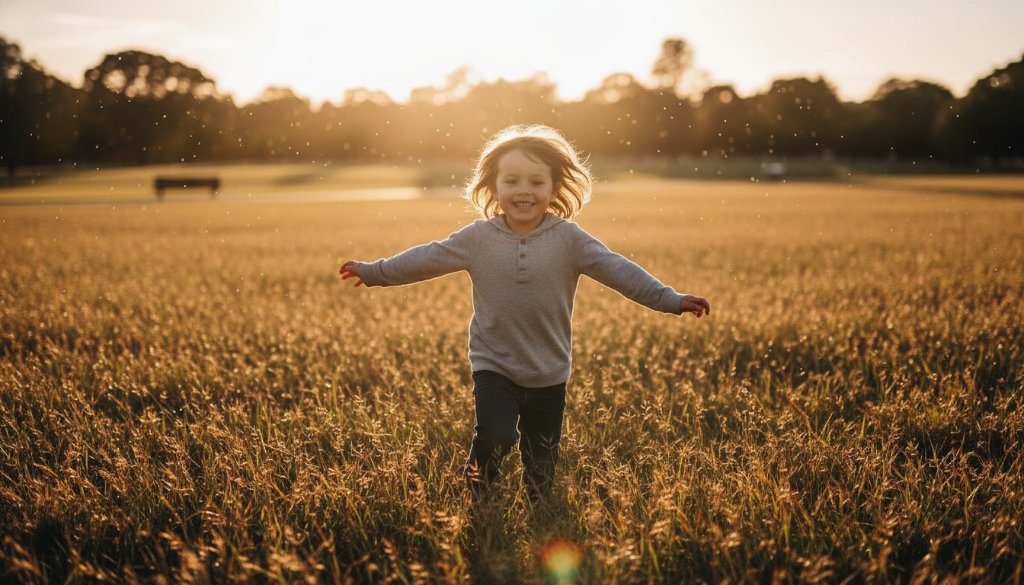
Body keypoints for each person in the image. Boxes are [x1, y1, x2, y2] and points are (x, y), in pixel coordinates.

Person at [339, 124, 710, 504]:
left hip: (549, 370)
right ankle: (476, 496)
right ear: (494, 188)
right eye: (512, 180)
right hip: (494, 365)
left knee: (541, 463)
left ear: (553, 189)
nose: (524, 191)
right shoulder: (476, 239)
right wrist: (375, 273)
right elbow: (425, 258)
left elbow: (619, 271)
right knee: (496, 435)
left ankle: (541, 516)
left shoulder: (570, 240)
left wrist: (670, 298)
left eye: (536, 182)